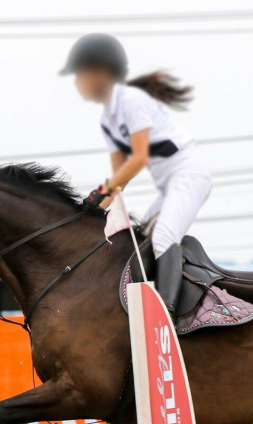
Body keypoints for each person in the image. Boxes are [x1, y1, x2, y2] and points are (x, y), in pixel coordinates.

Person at [60, 33, 212, 316]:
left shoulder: (131, 100)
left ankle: (164, 316)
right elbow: (120, 176)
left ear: (101, 73)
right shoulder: (108, 119)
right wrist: (90, 211)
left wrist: (101, 192)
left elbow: (138, 157)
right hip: (171, 185)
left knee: (164, 236)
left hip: (190, 174)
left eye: (80, 74)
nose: (77, 82)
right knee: (142, 239)